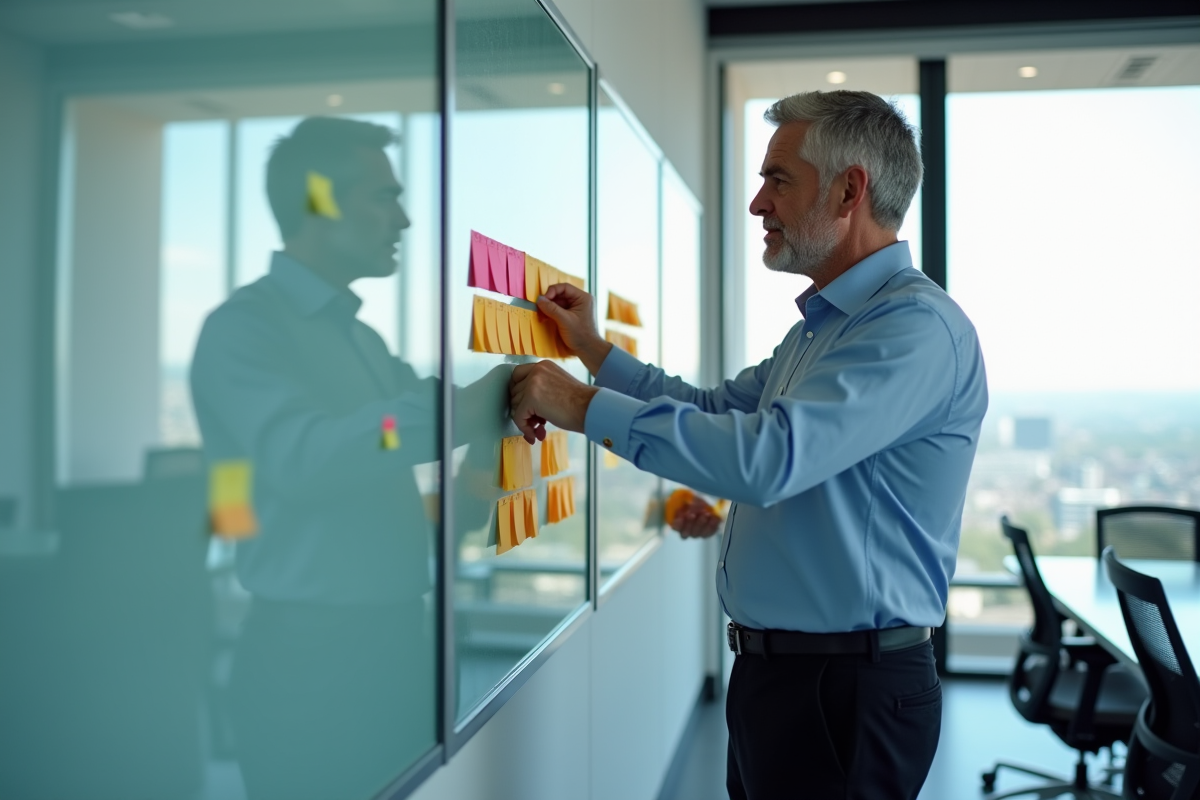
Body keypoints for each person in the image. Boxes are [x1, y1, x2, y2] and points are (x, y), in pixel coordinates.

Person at [507, 90, 988, 799]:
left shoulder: (911, 330)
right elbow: (712, 410)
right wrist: (596, 354)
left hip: (843, 690)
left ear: (849, 189)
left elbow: (766, 460)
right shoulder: (820, 331)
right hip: (782, 678)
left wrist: (578, 405)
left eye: (779, 180)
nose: (759, 204)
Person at [191, 117, 493, 800]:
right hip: (310, 667)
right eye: (383, 196)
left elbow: (388, 436)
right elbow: (312, 455)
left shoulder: (358, 337)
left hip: (391, 647)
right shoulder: (244, 331)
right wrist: (459, 409)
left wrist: (489, 419)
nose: (405, 218)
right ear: (321, 201)